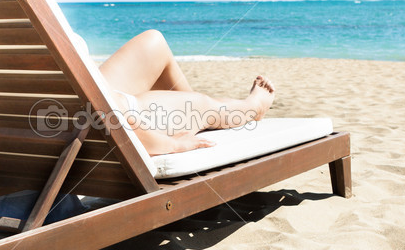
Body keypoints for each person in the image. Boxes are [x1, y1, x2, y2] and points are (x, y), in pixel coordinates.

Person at [99, 30, 275, 156]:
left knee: (154, 42)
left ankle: (197, 120)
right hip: (118, 123)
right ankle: (254, 107)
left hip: (99, 102)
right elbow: (119, 122)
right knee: (201, 105)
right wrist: (175, 144)